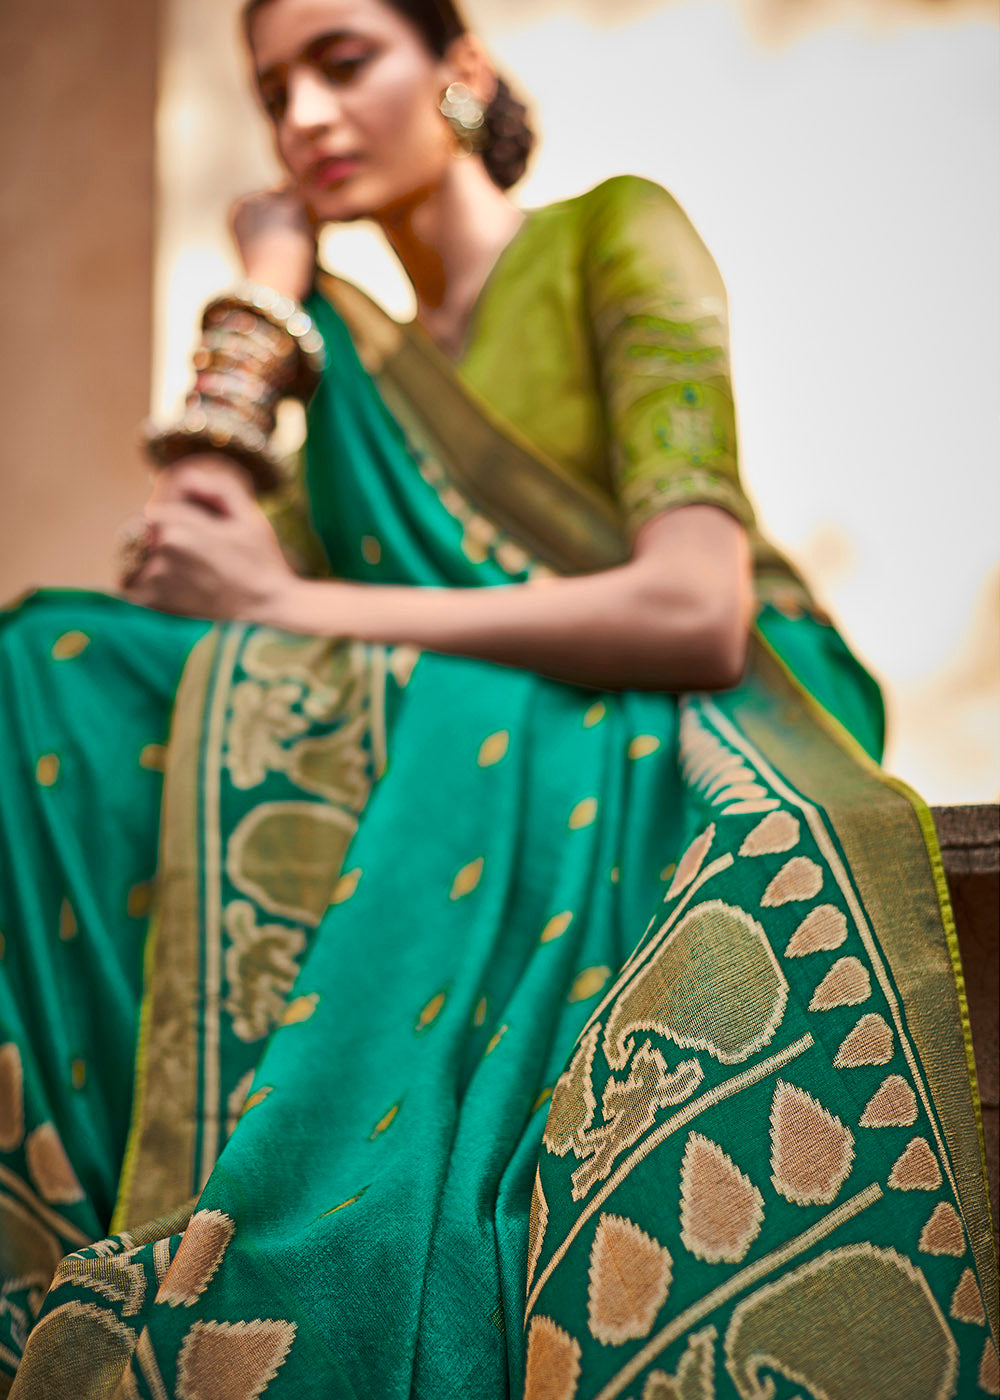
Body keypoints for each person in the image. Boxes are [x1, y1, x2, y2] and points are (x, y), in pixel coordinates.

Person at [1, 0, 996, 1394]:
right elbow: (188, 590)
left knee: (462, 694)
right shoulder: (342, 372)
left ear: (460, 72)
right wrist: (268, 292)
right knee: (49, 658)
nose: (304, 118)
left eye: (344, 62)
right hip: (459, 720)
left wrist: (290, 604)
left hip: (705, 686)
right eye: (274, 90)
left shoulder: (610, 233)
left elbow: (696, 608)